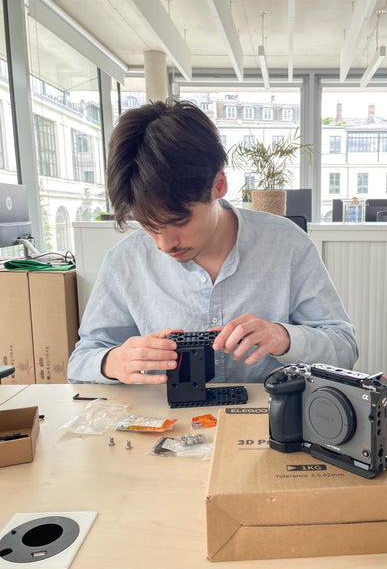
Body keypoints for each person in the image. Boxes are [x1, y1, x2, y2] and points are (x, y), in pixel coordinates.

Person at [67, 99, 358, 385]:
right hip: (163, 415)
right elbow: (80, 362)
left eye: (180, 221)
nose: (164, 244)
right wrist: (113, 362)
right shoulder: (125, 260)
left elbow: (344, 349)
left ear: (218, 185)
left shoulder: (287, 244)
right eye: (149, 226)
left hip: (268, 413)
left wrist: (285, 338)